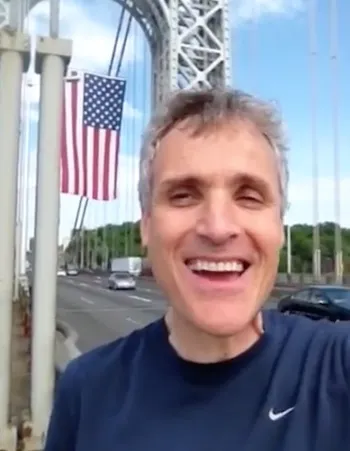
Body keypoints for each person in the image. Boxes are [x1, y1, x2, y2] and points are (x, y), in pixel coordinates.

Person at [44, 88, 350, 451]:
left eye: (249, 196)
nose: (218, 228)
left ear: (279, 228)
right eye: (184, 195)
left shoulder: (339, 366)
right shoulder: (85, 388)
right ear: (146, 225)